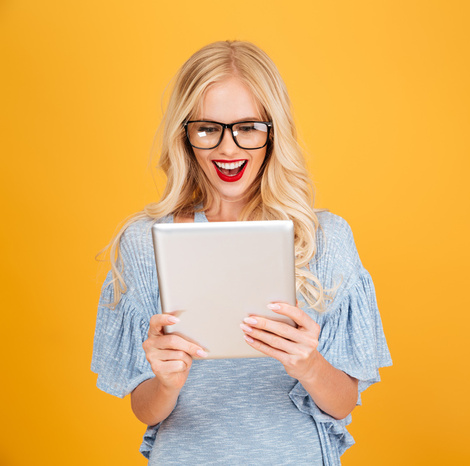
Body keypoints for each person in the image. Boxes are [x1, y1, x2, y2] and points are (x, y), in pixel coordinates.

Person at [90, 40, 392, 465]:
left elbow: (342, 404)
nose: (228, 149)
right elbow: (144, 409)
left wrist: (308, 364)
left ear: (273, 133)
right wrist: (167, 382)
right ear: (186, 134)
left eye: (248, 127)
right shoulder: (144, 244)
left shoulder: (325, 239)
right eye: (208, 128)